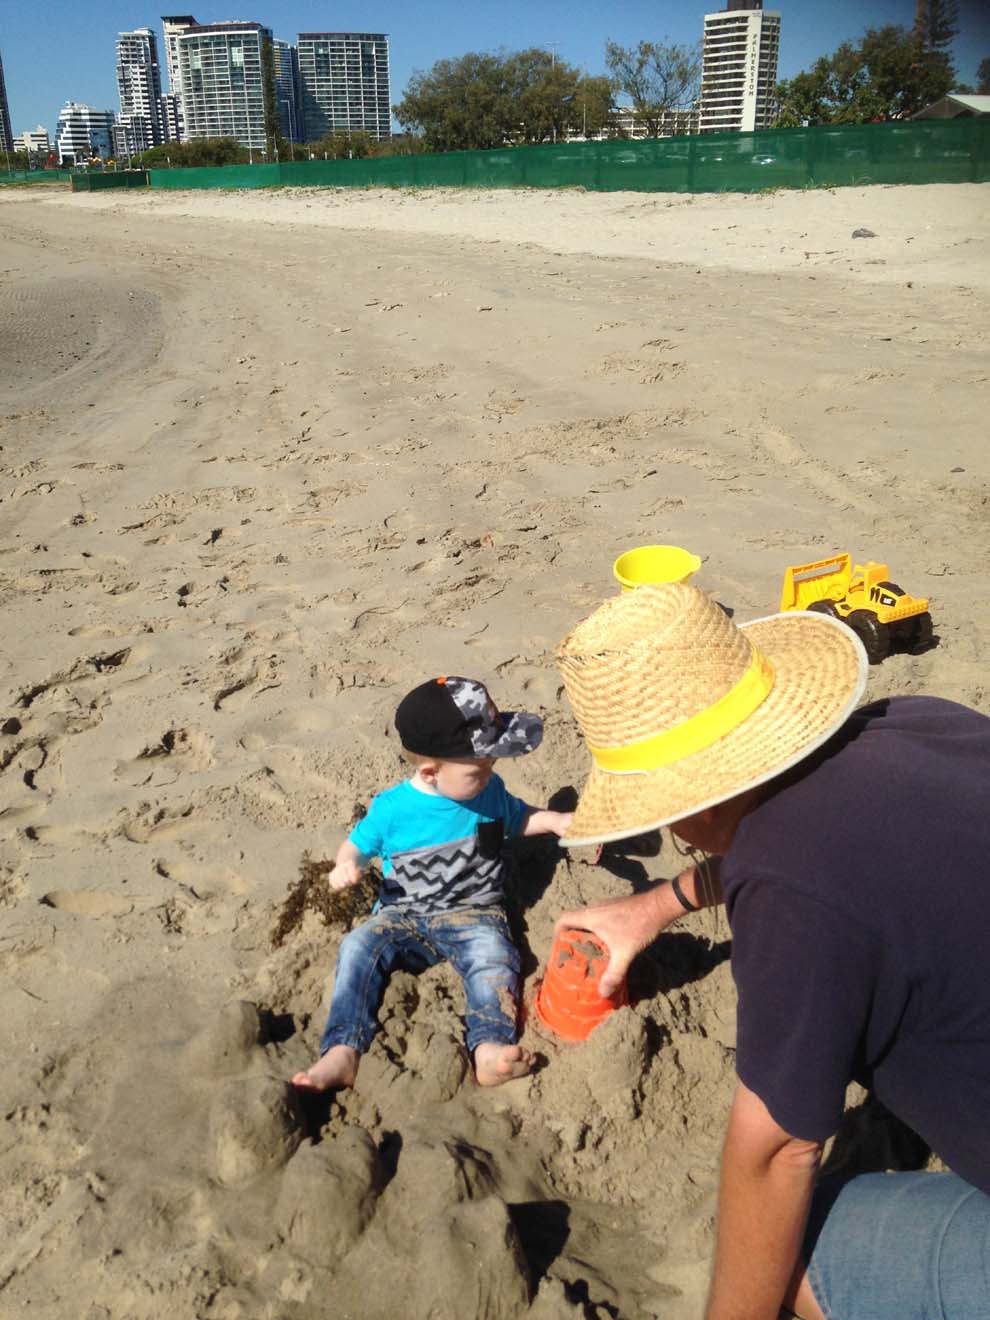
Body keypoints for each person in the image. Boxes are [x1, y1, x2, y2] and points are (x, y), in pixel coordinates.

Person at [552, 582, 990, 1320]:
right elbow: (823, 845)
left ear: (685, 805)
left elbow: (778, 1153)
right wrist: (658, 903)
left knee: (787, 1256)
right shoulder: (920, 723)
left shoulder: (791, 893)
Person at [292, 675, 572, 1093]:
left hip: (475, 912)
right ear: (430, 772)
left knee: (494, 957)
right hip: (403, 914)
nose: (490, 773)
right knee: (357, 947)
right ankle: (342, 1050)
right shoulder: (393, 810)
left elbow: (518, 817)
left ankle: (489, 1048)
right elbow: (355, 846)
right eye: (479, 768)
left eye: (492, 764)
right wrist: (346, 866)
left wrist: (554, 820)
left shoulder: (489, 791)